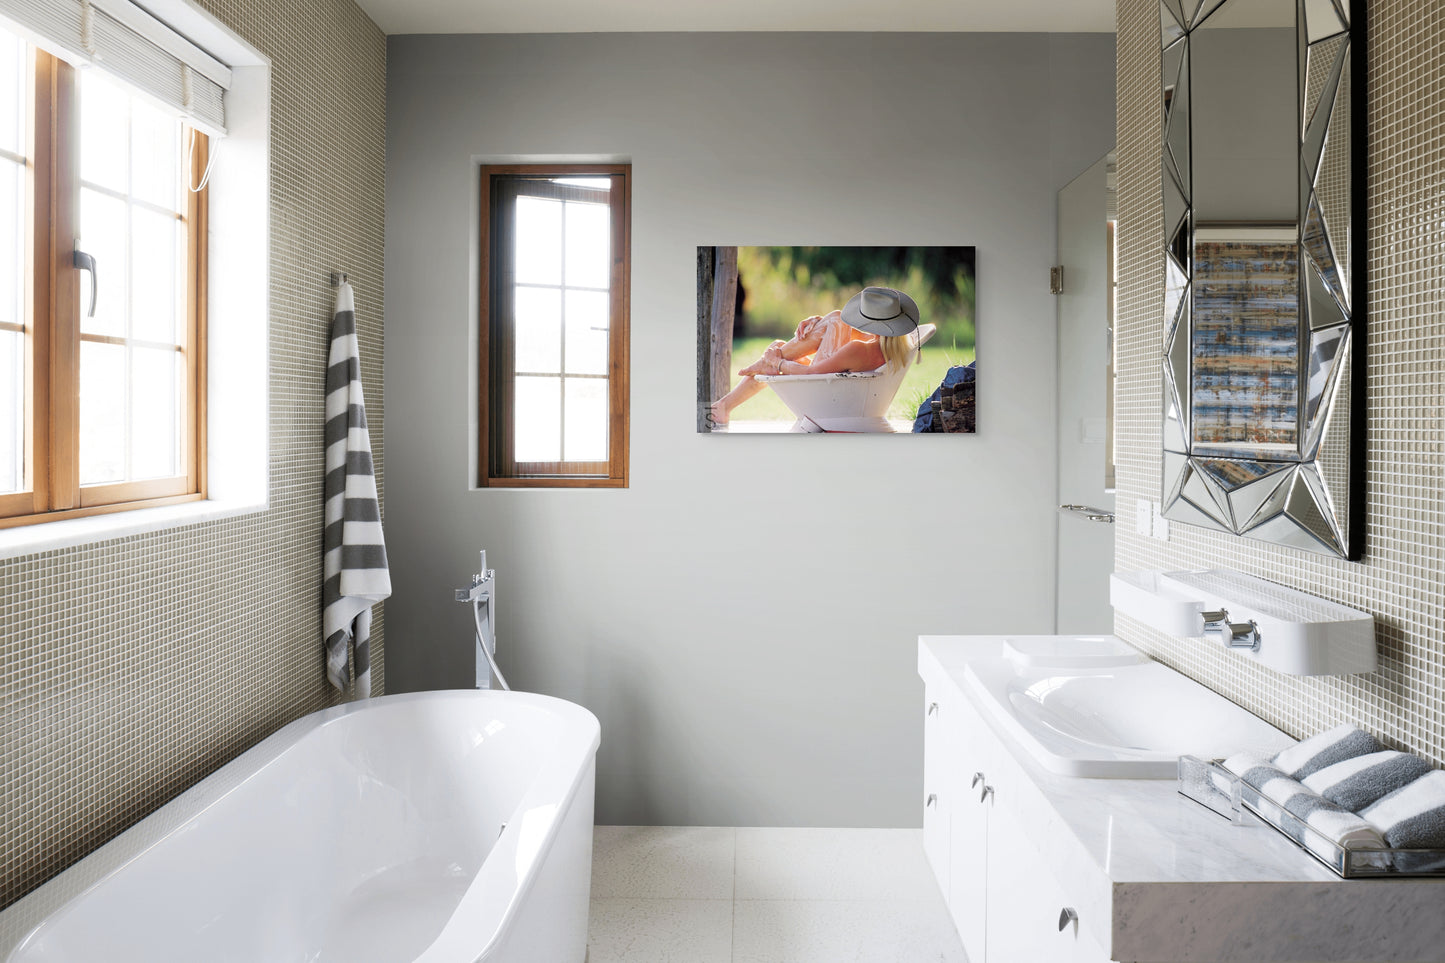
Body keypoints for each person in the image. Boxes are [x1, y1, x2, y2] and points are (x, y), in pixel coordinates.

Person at [707, 287, 921, 427]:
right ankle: (726, 403)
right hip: (843, 392)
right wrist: (820, 323)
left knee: (780, 347)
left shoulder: (859, 349)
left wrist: (777, 362)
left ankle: (759, 368)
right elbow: (851, 329)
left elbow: (811, 373)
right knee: (836, 319)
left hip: (825, 393)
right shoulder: (898, 345)